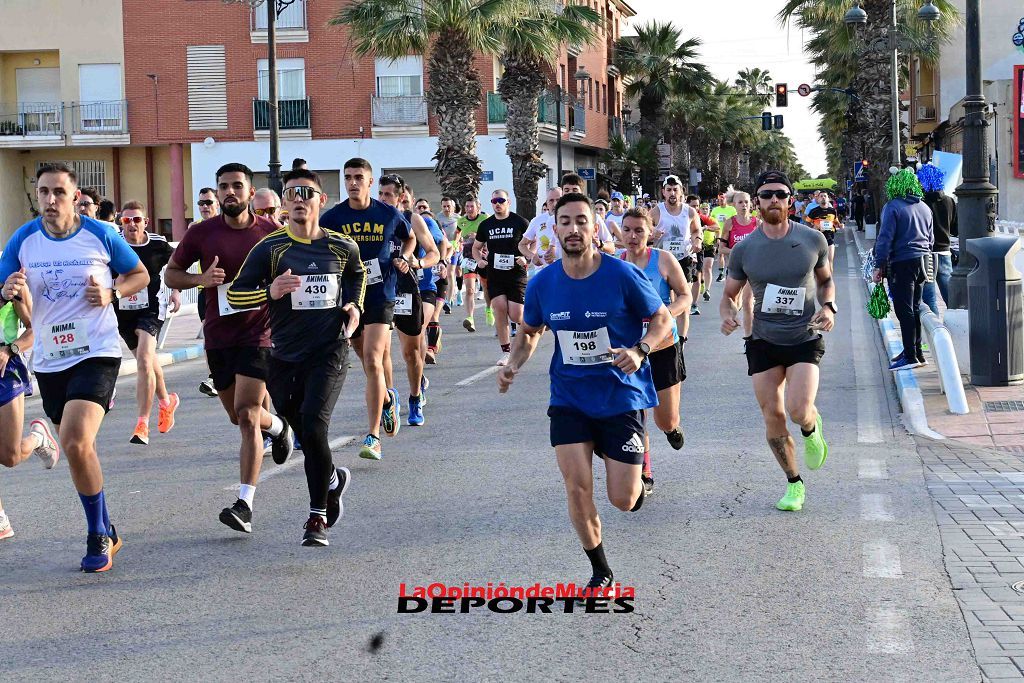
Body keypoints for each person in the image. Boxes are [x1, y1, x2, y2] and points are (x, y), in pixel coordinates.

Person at [497, 192, 673, 592]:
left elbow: (661, 318)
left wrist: (639, 348)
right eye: (565, 222)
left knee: (623, 500)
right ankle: (601, 570)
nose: (573, 229)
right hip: (569, 399)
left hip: (619, 396)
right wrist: (513, 364)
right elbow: (530, 332)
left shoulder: (622, 275)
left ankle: (634, 464)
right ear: (553, 228)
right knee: (576, 485)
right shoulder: (543, 283)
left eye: (581, 221)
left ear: (595, 229)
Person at [0, 163, 150, 571]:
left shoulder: (100, 234)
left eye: (58, 193)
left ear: (74, 196)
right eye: (44, 192)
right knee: (76, 447)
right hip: (49, 359)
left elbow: (140, 274)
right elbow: (0, 290)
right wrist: (6, 290)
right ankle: (108, 527)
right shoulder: (24, 240)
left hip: (96, 351)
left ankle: (96, 534)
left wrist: (112, 291)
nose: (50, 200)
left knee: (76, 441)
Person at [228, 169, 362, 546]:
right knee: (301, 428)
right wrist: (269, 291)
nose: (299, 198)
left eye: (307, 192)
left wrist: (355, 305)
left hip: (331, 349)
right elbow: (235, 296)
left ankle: (317, 516)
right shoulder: (270, 249)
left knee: (314, 426)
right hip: (284, 355)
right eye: (291, 194)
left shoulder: (341, 246)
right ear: (284, 204)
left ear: (321, 199)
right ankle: (333, 480)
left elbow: (358, 274)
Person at [165, 162, 294, 534]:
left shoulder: (272, 233)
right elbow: (171, 274)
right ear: (217, 192)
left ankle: (244, 504)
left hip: (260, 334)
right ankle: (281, 427)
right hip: (218, 336)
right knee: (238, 417)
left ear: (251, 193)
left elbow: (294, 274)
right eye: (224, 187)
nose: (230, 192)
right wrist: (199, 279)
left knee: (248, 413)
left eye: (238, 186)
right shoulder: (201, 233)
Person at [719, 170, 834, 513]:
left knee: (799, 410)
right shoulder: (745, 249)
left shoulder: (813, 240)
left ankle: (812, 427)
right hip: (763, 340)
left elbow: (826, 281)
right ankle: (794, 484)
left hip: (803, 336)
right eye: (766, 194)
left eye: (780, 194)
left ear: (790, 201)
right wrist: (728, 312)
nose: (773, 200)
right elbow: (729, 294)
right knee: (773, 415)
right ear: (756, 201)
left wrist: (829, 307)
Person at [319, 160, 437, 459]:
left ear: (370, 182)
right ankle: (386, 397)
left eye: (359, 177)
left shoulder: (388, 214)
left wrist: (407, 258)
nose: (353, 182)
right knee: (365, 358)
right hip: (347, 298)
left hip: (381, 294)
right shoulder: (333, 218)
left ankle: (372, 437)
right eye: (348, 178)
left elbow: (409, 238)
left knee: (373, 358)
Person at [618, 207, 690, 496]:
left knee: (665, 419)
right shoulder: (615, 264)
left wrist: (665, 314)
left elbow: (685, 295)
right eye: (627, 230)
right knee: (636, 413)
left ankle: (673, 429)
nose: (633, 236)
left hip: (663, 347)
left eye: (639, 230)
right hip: (630, 350)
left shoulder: (663, 260)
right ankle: (645, 471)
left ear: (651, 233)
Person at [114, 200, 181, 445]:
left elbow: (176, 266)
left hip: (151, 309)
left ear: (146, 222)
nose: (131, 224)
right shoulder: (114, 244)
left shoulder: (158, 244)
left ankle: (142, 423)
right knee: (149, 363)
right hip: (123, 311)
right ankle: (166, 401)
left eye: (136, 219)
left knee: (144, 359)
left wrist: (175, 291)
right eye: (126, 220)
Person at [0, 292, 61, 541]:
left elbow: (35, 329)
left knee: (10, 457)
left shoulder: (10, 282)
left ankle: (38, 438)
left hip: (6, 368)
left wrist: (10, 350)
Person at [381, 180, 441, 426]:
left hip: (406, 289)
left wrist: (417, 263)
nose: (384, 199)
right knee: (380, 352)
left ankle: (415, 396)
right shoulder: (371, 218)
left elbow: (434, 253)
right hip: (379, 290)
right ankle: (389, 399)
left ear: (400, 197)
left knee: (410, 352)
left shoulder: (411, 219)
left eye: (389, 195)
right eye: (381, 194)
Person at [871, 168, 934, 371]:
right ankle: (917, 352)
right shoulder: (925, 207)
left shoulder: (893, 207)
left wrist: (878, 265)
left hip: (902, 262)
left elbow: (885, 238)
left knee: (903, 308)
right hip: (924, 260)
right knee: (915, 307)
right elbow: (931, 239)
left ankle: (910, 356)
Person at [473, 189, 530, 366]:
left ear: (508, 202)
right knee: (499, 308)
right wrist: (479, 260)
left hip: (515, 274)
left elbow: (532, 242)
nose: (497, 204)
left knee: (516, 314)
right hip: (495, 273)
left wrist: (526, 257)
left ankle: (532, 328)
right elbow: (476, 247)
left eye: (501, 200)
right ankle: (507, 352)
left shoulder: (519, 222)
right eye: (494, 201)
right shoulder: (486, 225)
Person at [651, 175, 700, 316]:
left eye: (675, 190)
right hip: (662, 260)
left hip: (684, 258)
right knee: (667, 301)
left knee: (683, 300)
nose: (672, 193)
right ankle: (670, 330)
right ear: (663, 192)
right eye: (669, 190)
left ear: (681, 192)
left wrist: (697, 240)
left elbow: (696, 230)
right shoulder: (656, 211)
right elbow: (645, 228)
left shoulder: (689, 211)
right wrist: (652, 233)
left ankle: (682, 337)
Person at [191, 187, 220, 398]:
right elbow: (179, 264)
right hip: (207, 291)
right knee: (209, 334)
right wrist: (175, 290)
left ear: (217, 204)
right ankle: (214, 376)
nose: (204, 207)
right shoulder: (195, 229)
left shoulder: (227, 225)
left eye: (208, 202)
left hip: (231, 289)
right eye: (201, 203)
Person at [918, 164, 956, 316]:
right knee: (949, 293)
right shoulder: (949, 201)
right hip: (945, 251)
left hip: (927, 252)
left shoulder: (920, 203)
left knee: (929, 296)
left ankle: (935, 330)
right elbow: (955, 229)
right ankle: (955, 320)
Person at [719, 192, 759, 338]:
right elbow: (721, 249)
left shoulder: (757, 223)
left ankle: (749, 339)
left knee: (748, 302)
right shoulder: (730, 223)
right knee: (734, 301)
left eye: (747, 202)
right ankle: (733, 318)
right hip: (736, 268)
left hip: (753, 268)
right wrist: (736, 251)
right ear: (734, 205)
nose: (744, 205)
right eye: (740, 202)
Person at [458, 198, 489, 331]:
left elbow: (489, 234)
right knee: (470, 289)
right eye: (467, 206)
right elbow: (457, 233)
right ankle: (470, 318)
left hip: (483, 257)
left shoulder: (484, 218)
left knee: (486, 287)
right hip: (468, 259)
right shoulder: (461, 221)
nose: (469, 209)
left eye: (471, 206)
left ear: (478, 207)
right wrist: (457, 242)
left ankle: (489, 309)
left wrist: (477, 235)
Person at [519, 188, 562, 278]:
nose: (555, 204)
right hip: (543, 272)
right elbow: (522, 245)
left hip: (565, 271)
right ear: (546, 202)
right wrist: (532, 256)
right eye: (551, 200)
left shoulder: (571, 220)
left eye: (558, 200)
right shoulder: (537, 221)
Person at [436, 196, 461, 314]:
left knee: (451, 273)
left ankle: (448, 301)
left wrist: (457, 243)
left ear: (453, 207)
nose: (446, 208)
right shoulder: (438, 217)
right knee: (442, 273)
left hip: (454, 248)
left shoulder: (458, 218)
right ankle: (442, 297)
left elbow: (461, 232)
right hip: (442, 248)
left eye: (448, 206)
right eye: (444, 206)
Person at [806, 192, 840, 269]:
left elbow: (836, 222)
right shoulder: (813, 211)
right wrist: (813, 227)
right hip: (817, 240)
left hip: (829, 239)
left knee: (830, 262)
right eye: (821, 196)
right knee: (818, 265)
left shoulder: (833, 211)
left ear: (828, 198)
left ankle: (830, 279)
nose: (823, 197)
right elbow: (807, 221)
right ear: (818, 199)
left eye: (825, 196)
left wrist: (840, 225)